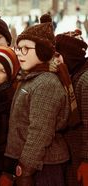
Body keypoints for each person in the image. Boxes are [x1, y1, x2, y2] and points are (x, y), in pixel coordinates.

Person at [4, 14, 71, 186]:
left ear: (43, 50)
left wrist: (26, 169)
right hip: (36, 163)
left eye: (26, 48)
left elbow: (40, 132)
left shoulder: (46, 83)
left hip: (44, 166)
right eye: (18, 48)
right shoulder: (33, 78)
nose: (20, 53)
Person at [55, 29, 88, 186]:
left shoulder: (85, 80)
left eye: (57, 56)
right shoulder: (72, 75)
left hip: (82, 158)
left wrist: (86, 160)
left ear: (68, 56)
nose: (54, 61)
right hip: (75, 153)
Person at [0, 46, 20, 186]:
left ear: (9, 77)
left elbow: (14, 138)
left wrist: (7, 172)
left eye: (3, 71)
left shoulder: (10, 100)